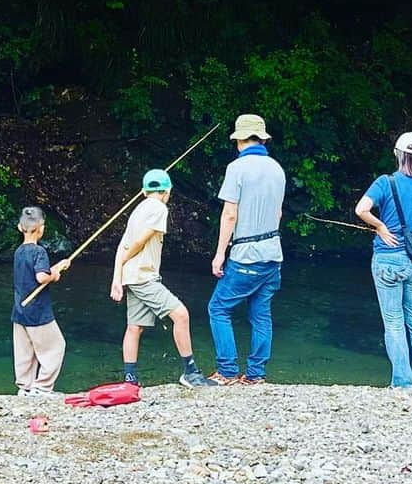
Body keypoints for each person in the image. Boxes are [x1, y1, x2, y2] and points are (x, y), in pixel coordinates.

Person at [110, 169, 209, 389]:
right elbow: (139, 242)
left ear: (144, 191)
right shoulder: (159, 208)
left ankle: (130, 380)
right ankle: (190, 373)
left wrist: (117, 277)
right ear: (168, 191)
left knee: (134, 327)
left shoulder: (138, 209)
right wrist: (123, 265)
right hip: (144, 277)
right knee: (181, 315)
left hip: (132, 276)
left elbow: (122, 244)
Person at [355, 131, 412, 391]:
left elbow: (361, 210)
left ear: (397, 154)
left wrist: (380, 226)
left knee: (393, 322)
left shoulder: (385, 182)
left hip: (388, 261)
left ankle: (403, 383)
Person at [207, 113, 286, 386]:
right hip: (273, 255)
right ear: (262, 139)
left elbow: (229, 214)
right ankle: (256, 375)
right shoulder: (277, 168)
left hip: (245, 256)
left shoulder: (236, 169)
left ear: (240, 140)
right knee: (261, 315)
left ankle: (227, 371)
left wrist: (219, 255)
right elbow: (277, 214)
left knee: (218, 308)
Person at [11, 206, 70, 396]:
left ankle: (25, 387)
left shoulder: (19, 252)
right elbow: (41, 278)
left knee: (25, 352)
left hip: (20, 311)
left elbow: (35, 274)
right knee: (56, 346)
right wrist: (56, 273)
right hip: (38, 311)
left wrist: (56, 268)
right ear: (41, 229)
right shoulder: (39, 252)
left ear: (21, 227)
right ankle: (42, 387)